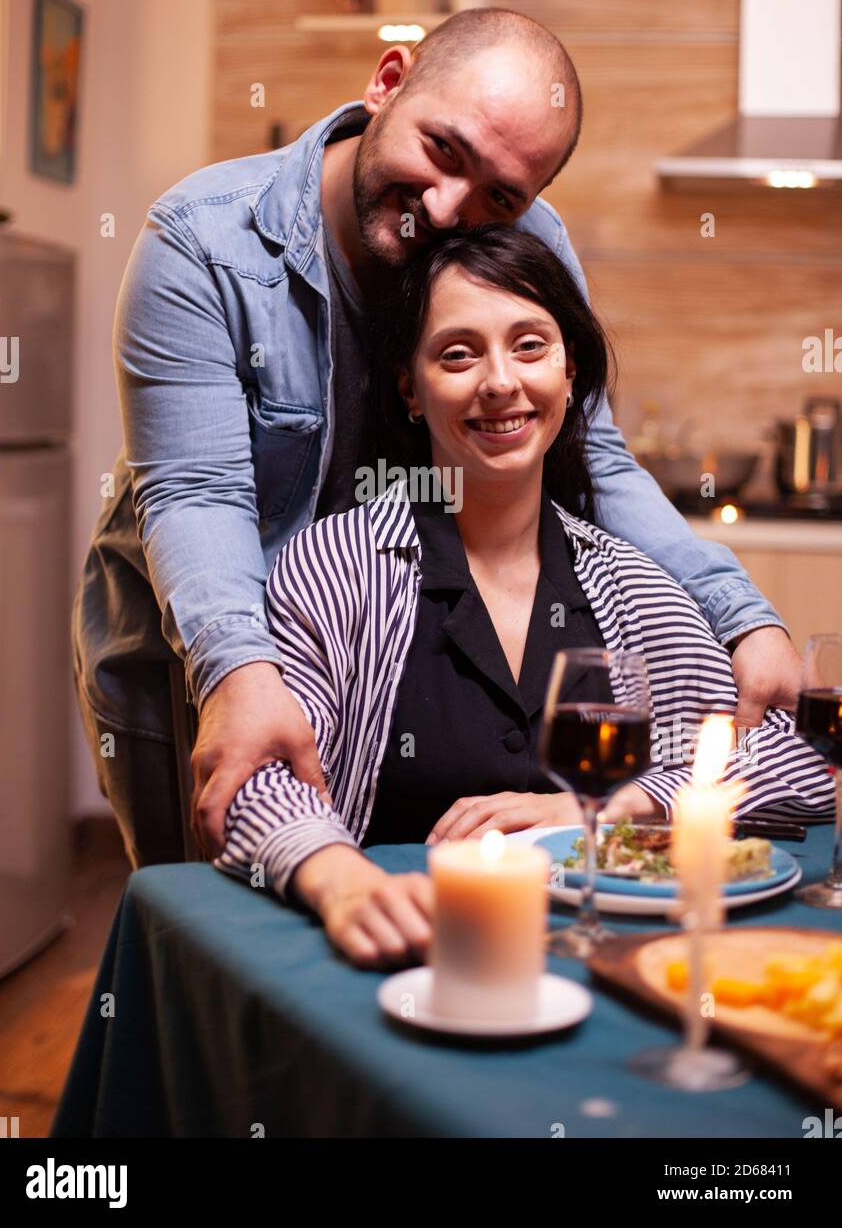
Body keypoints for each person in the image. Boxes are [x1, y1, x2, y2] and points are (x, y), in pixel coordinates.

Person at [71, 8, 801, 870]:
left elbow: (596, 458)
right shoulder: (204, 241)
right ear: (386, 83)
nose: (451, 209)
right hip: (196, 635)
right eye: (444, 150)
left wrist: (741, 617)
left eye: (500, 195)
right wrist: (237, 669)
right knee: (210, 917)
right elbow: (198, 495)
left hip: (385, 634)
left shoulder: (531, 240)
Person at [214, 225, 833, 969]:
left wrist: (602, 812)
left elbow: (805, 764)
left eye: (530, 345)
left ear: (572, 377)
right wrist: (339, 879)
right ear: (410, 388)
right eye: (457, 353)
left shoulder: (632, 586)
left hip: (609, 965)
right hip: (392, 954)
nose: (500, 381)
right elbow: (257, 779)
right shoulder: (337, 566)